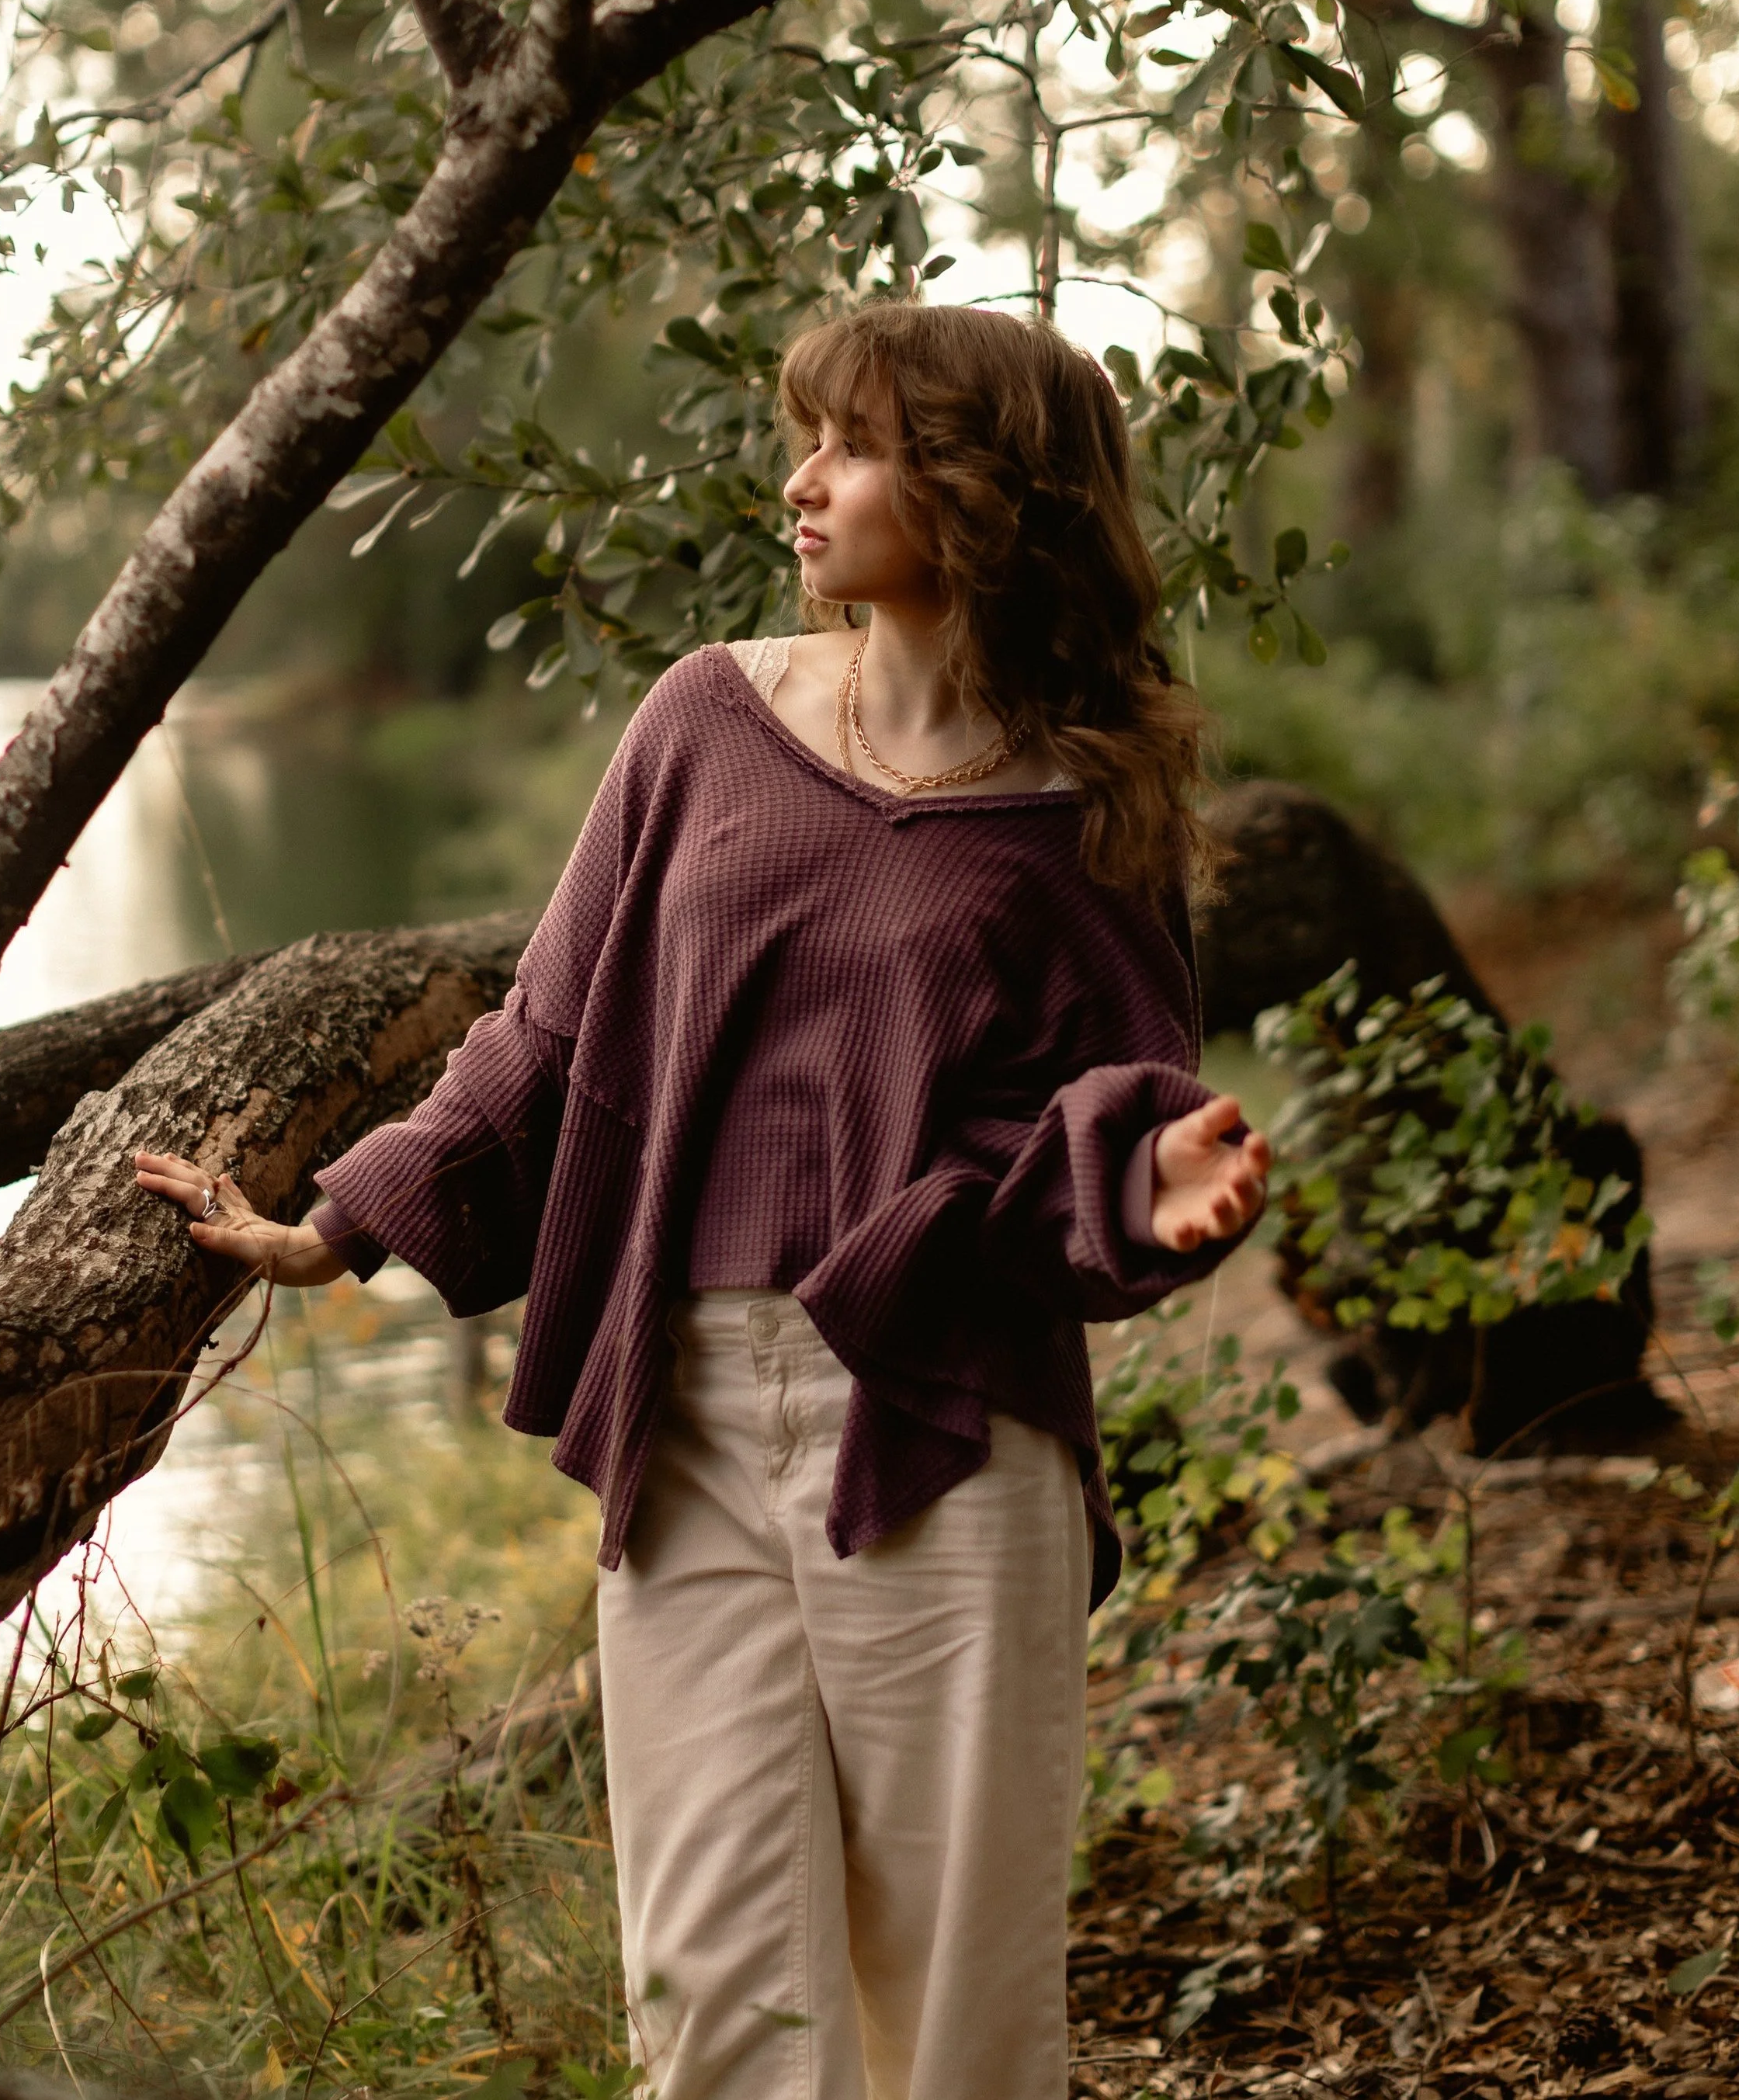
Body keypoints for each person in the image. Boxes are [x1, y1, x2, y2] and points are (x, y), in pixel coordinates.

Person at [134, 300, 1271, 2100]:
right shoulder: (706, 719)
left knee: (955, 2005)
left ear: (985, 492)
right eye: (803, 433)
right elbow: (553, 1028)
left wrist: (1149, 1177)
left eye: (855, 443)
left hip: (943, 1416)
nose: (803, 482)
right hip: (685, 1407)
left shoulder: (1081, 805)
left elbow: (1106, 1120)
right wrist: (336, 1222)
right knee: (716, 1988)